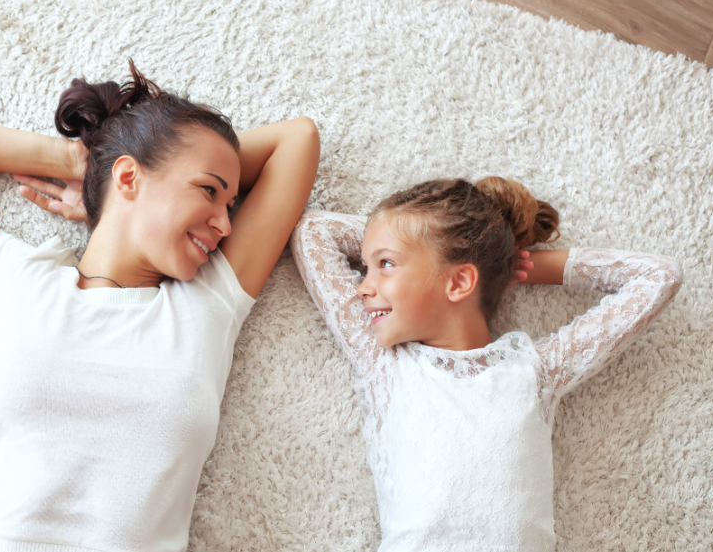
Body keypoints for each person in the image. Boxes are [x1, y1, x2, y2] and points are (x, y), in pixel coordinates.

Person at [0, 60, 320, 551]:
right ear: (129, 177)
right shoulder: (18, 284)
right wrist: (82, 164)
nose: (226, 224)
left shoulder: (206, 306)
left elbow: (297, 140)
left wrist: (119, 184)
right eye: (210, 191)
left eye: (231, 204)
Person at [290, 177, 682, 551]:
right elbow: (311, 232)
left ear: (460, 282)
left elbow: (659, 277)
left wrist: (519, 264)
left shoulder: (536, 372)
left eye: (386, 264)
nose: (363, 286)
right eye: (366, 264)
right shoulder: (386, 364)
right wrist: (466, 248)